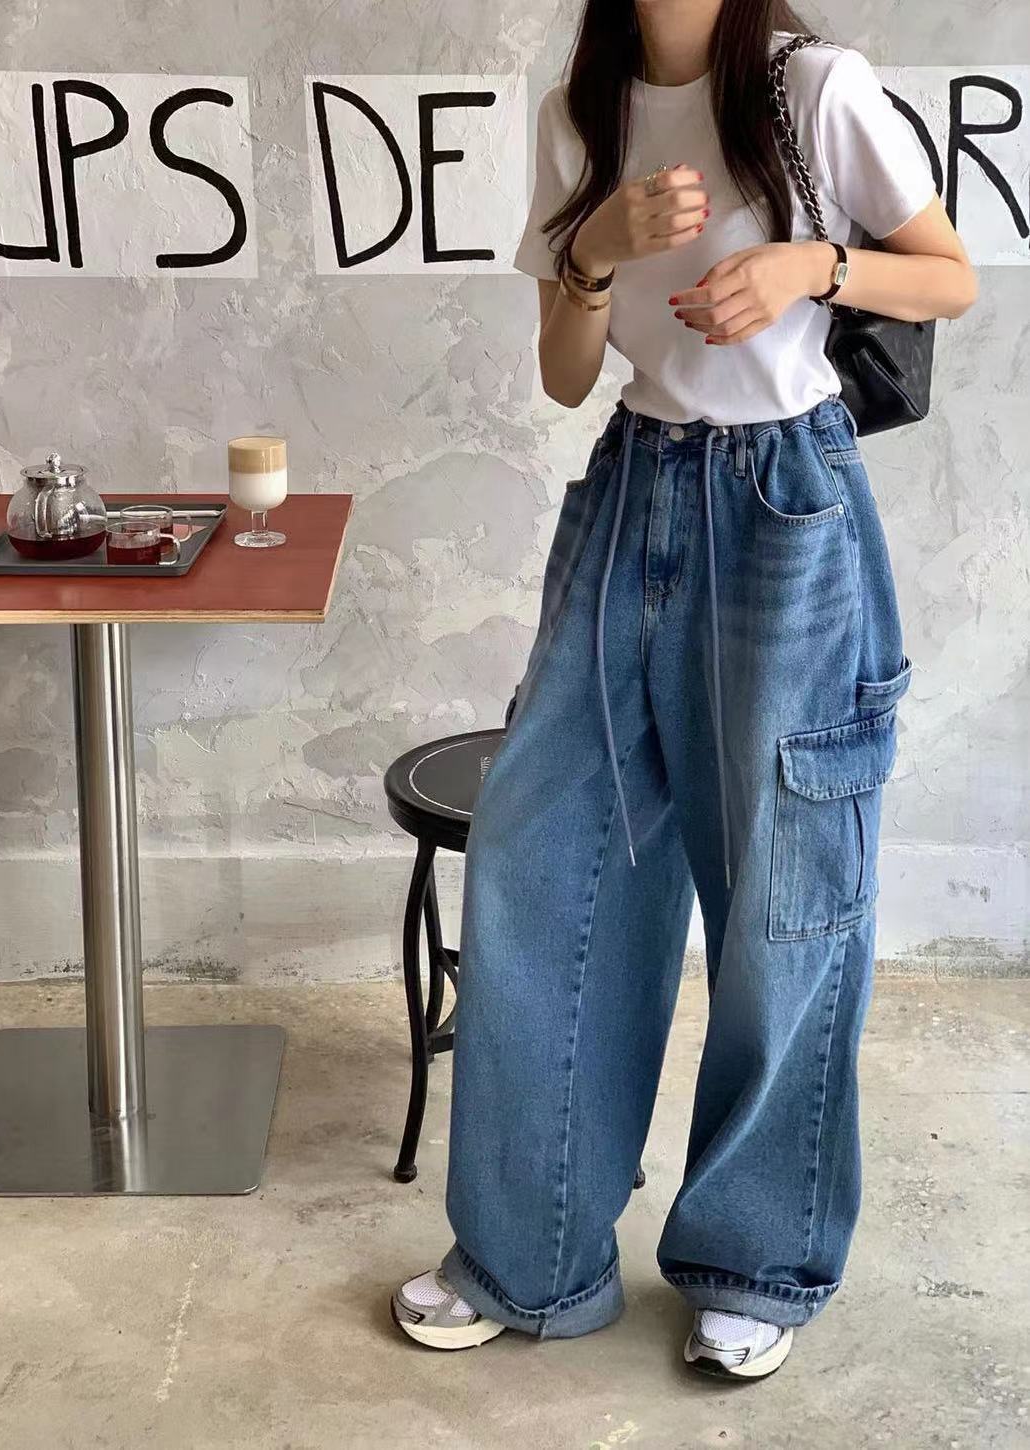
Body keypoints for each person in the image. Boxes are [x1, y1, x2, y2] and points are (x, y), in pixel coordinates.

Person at [390, 0, 976, 1380]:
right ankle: (530, 1256)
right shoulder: (577, 115)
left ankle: (754, 1258)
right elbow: (564, 375)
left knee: (784, 887)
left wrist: (809, 268)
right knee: (546, 857)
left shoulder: (813, 89)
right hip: (630, 488)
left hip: (786, 497)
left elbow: (947, 276)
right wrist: (590, 251)